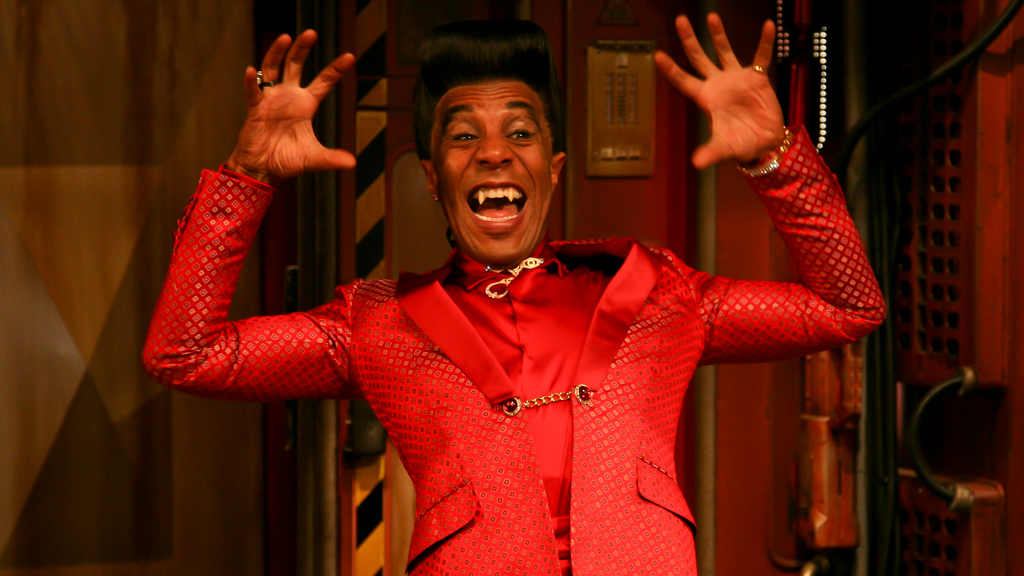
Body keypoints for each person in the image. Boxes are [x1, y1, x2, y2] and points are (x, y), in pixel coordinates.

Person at [144, 15, 884, 576]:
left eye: (520, 133)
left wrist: (774, 158)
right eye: (464, 137)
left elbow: (848, 305)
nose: (494, 153)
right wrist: (248, 177)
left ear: (553, 169)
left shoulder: (661, 294)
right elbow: (184, 354)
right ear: (432, 177)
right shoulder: (375, 324)